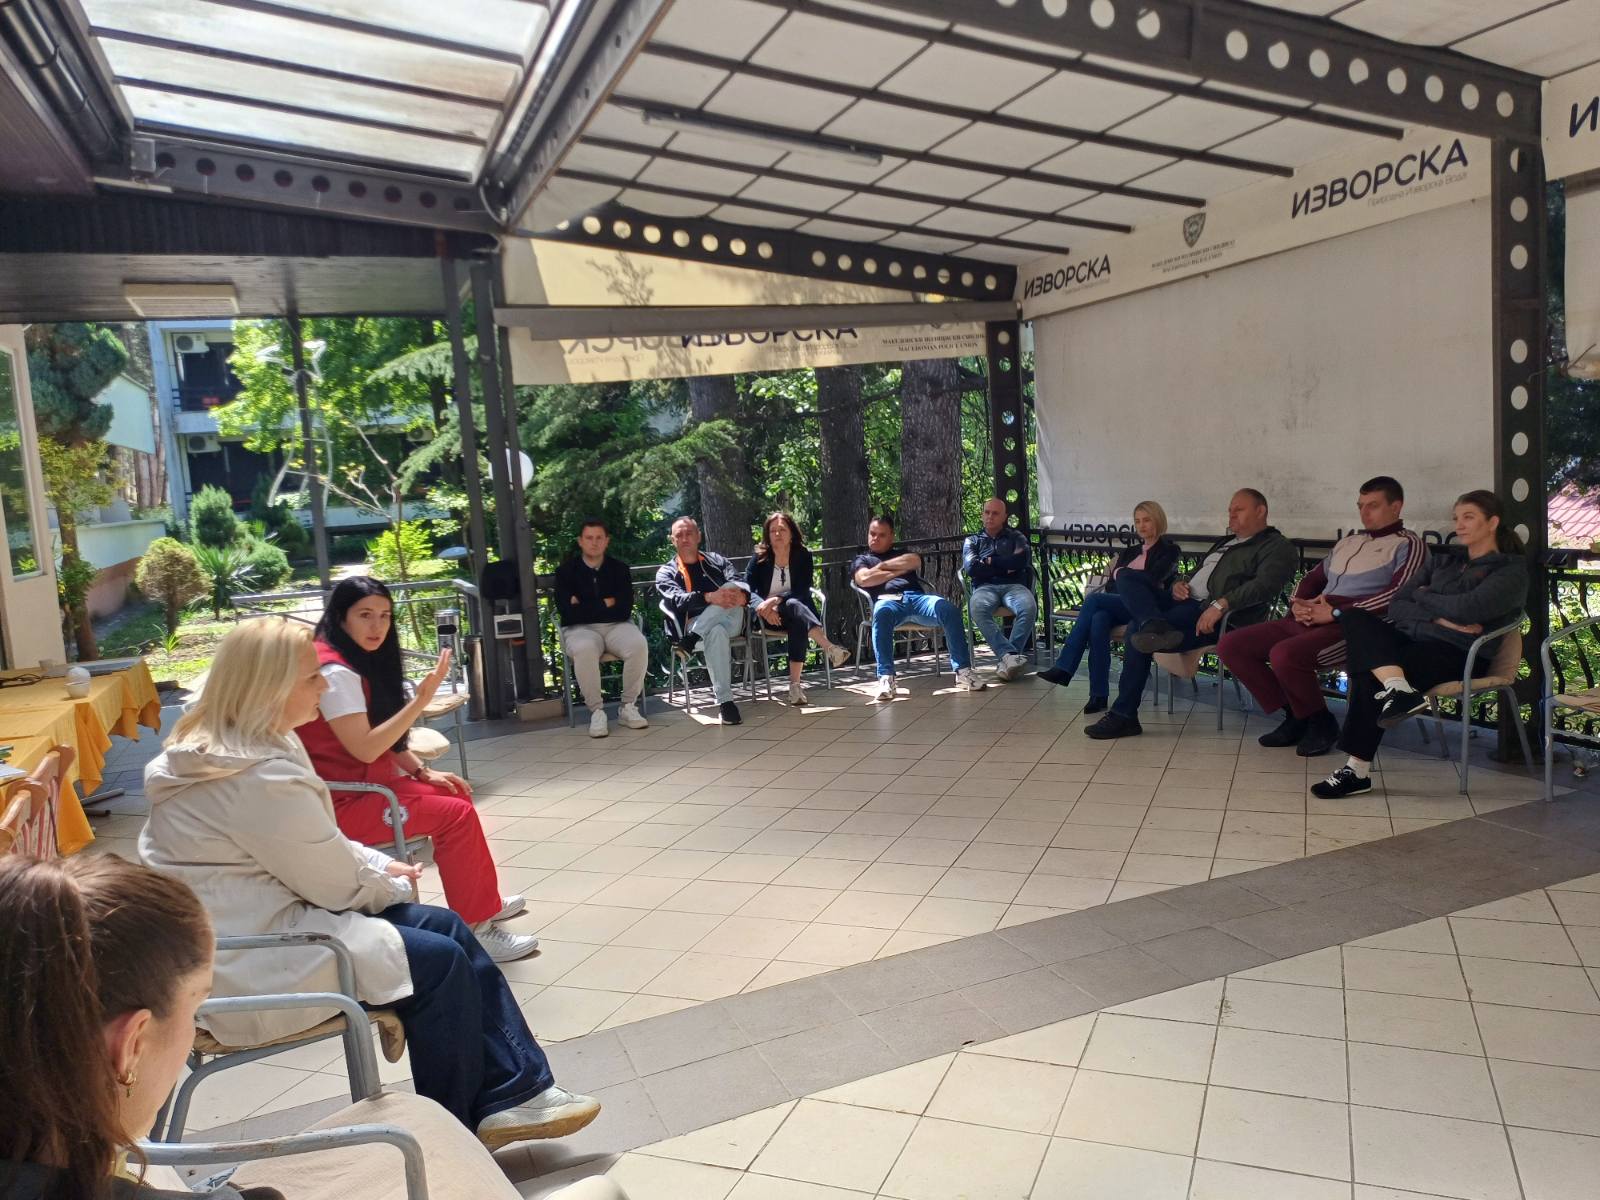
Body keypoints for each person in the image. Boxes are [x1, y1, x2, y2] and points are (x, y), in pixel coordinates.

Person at [140, 619, 600, 1149]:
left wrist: (379, 869)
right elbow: (331, 882)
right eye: (312, 677)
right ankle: (455, 1134)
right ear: (270, 687)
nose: (323, 686)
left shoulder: (239, 748)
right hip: (254, 956)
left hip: (258, 922)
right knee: (439, 963)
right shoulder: (255, 775)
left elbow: (315, 845)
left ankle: (514, 1094)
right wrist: (390, 881)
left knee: (448, 928)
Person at [0, 853, 626, 1200]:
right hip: (295, 944)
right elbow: (329, 871)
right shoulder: (258, 769)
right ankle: (506, 1095)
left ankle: (510, 1092)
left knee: (439, 943)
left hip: (291, 928)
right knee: (601, 1194)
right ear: (130, 1045)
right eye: (195, 1008)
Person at [295, 577, 536, 963]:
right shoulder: (336, 672)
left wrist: (422, 771)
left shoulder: (350, 658)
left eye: (385, 616)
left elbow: (382, 739)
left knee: (455, 794)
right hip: (342, 801)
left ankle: (481, 902)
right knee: (455, 815)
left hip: (368, 786)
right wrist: (421, 700)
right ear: (341, 617)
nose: (377, 626)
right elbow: (366, 746)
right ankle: (476, 927)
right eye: (365, 615)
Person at [1313, 490, 1530, 799]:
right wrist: (1438, 617)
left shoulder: (1510, 571)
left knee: (1368, 671)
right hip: (1416, 638)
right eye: (1457, 518)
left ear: (1492, 522)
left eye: (1469, 517)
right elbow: (1397, 604)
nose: (1459, 525)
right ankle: (1398, 688)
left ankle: (1356, 770)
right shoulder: (1446, 561)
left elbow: (1467, 609)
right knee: (1354, 617)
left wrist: (1424, 597)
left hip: (1459, 652)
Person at [1219, 476, 1425, 758]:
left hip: (1353, 627)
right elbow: (1313, 578)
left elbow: (1397, 596)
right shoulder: (1349, 542)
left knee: (1285, 655)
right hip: (1313, 615)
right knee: (1231, 645)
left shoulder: (1408, 544)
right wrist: (1298, 604)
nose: (1364, 513)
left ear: (1396, 506)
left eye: (1373, 506)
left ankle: (1321, 722)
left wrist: (1337, 613)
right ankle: (1295, 715)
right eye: (1360, 506)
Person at [1086, 488, 1298, 740]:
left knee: (1137, 630)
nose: (1231, 515)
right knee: (1126, 576)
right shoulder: (1225, 543)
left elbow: (1264, 586)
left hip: (1213, 614)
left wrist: (1221, 605)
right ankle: (1153, 623)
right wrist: (1180, 583)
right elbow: (1197, 574)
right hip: (1182, 602)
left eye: (1238, 510)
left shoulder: (1276, 547)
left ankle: (1124, 715)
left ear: (1260, 511)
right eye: (1229, 510)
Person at [1039, 501, 1179, 713]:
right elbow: (1113, 584)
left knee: (1093, 600)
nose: (1142, 526)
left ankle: (1065, 667)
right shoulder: (1130, 552)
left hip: (1146, 607)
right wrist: (1126, 579)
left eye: (1147, 520)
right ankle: (1098, 695)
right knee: (1098, 619)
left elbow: (1154, 580)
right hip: (1119, 604)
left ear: (1158, 520)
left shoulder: (1169, 550)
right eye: (1138, 521)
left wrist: (1125, 576)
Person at [851, 514, 987, 701]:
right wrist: (898, 570)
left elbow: (914, 561)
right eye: (872, 534)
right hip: (887, 601)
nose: (875, 538)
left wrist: (881, 567)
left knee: (949, 610)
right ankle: (886, 677)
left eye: (881, 535)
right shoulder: (862, 559)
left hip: (917, 598)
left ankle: (963, 671)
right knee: (881, 614)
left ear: (891, 536)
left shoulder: (902, 552)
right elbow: (864, 579)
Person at [554, 519, 649, 739]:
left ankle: (628, 707)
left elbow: (624, 609)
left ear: (607, 541)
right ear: (580, 541)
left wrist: (583, 605)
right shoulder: (566, 572)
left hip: (617, 626)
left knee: (638, 644)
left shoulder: (619, 569)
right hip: (579, 629)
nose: (594, 543)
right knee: (584, 648)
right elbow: (568, 612)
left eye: (599, 538)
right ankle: (597, 712)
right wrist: (606, 602)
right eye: (589, 538)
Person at [746, 511, 852, 706]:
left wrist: (776, 599)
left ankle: (795, 687)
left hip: (795, 611)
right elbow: (748, 590)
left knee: (795, 609)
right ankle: (829, 649)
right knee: (798, 616)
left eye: (782, 530)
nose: (777, 534)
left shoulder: (802, 555)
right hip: (766, 617)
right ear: (767, 534)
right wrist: (764, 607)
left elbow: (802, 590)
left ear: (792, 533)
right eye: (773, 531)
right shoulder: (759, 558)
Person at [654, 516, 751, 725]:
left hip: (730, 619)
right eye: (679, 535)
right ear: (672, 540)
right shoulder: (666, 572)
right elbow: (676, 600)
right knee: (715, 631)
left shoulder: (717, 561)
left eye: (689, 533)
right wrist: (708, 597)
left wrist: (742, 594)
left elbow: (739, 582)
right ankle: (726, 702)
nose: (685, 538)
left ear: (698, 536)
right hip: (693, 623)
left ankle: (692, 639)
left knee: (729, 587)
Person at [963, 497, 1038, 682]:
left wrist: (990, 561)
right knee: (976, 608)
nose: (990, 517)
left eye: (995, 513)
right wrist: (1006, 567)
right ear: (982, 515)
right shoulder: (972, 541)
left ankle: (1007, 659)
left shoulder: (1017, 537)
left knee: (1029, 607)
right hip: (984, 587)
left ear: (1004, 516)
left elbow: (1021, 561)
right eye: (987, 512)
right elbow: (972, 568)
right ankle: (1010, 656)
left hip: (1015, 586)